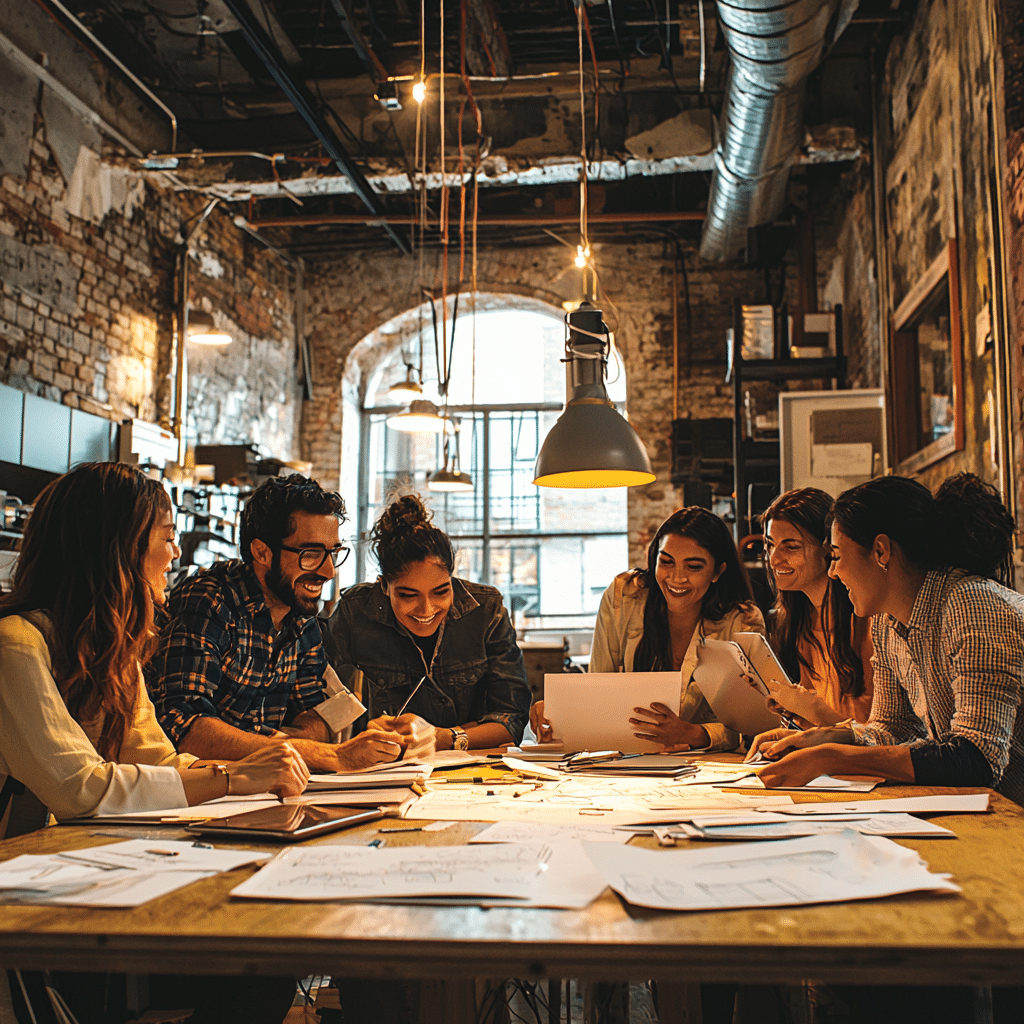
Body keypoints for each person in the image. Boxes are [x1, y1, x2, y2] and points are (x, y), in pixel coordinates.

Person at [0, 461, 305, 1024]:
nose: (174, 554)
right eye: (165, 538)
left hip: (70, 880)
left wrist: (256, 780)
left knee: (263, 969)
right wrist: (234, 777)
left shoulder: (110, 649)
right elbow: (79, 788)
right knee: (252, 974)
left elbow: (158, 760)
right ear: (114, 546)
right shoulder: (15, 643)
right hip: (23, 911)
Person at [750, 473, 1024, 807]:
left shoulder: (970, 604)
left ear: (880, 551)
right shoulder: (885, 622)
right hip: (988, 812)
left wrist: (835, 758)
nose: (833, 572)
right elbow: (893, 729)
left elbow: (977, 760)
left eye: (835, 555)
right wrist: (820, 738)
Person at [149, 475, 435, 771]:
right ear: (262, 552)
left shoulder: (299, 614)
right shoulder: (210, 601)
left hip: (267, 786)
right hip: (197, 797)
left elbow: (317, 715)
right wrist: (322, 754)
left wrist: (281, 747)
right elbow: (184, 728)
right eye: (311, 554)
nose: (328, 572)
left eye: (333, 553)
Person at [532, 507, 764, 751]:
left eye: (693, 567)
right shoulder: (625, 595)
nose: (676, 578)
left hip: (709, 769)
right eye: (666, 562)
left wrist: (694, 734)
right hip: (628, 762)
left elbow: (754, 728)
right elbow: (599, 689)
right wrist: (557, 715)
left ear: (718, 572)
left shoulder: (742, 622)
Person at [324, 494, 531, 750]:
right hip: (384, 768)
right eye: (408, 595)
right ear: (384, 586)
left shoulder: (486, 611)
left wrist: (443, 738)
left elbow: (511, 720)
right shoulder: (355, 612)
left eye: (441, 591)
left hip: (471, 771)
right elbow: (319, 700)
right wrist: (351, 730)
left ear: (452, 580)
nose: (427, 609)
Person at [756, 488, 873, 728]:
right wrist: (789, 709)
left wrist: (808, 708)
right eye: (770, 545)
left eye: (791, 547)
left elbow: (873, 731)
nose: (774, 559)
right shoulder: (802, 618)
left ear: (827, 548)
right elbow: (818, 725)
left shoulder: (866, 619)